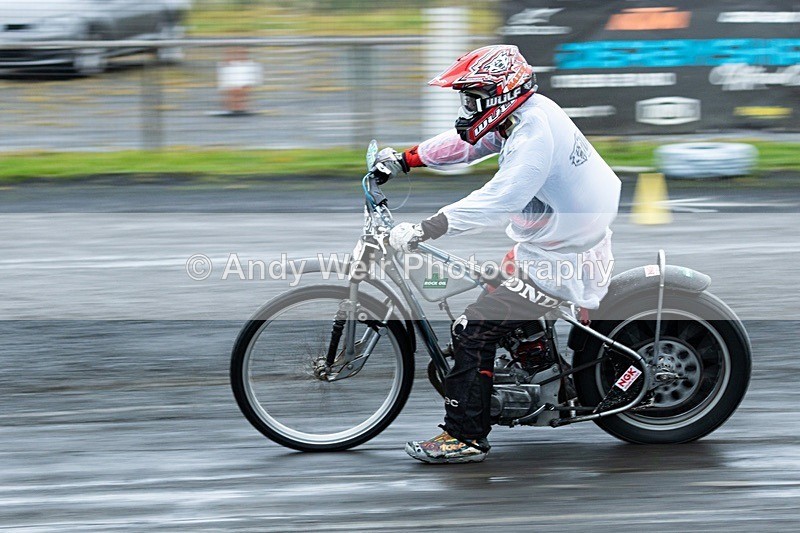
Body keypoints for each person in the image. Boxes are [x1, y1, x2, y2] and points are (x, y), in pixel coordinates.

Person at [373, 45, 621, 464]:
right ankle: (544, 372)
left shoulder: (533, 136)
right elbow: (468, 144)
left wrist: (427, 228)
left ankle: (465, 436)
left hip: (562, 256)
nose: (467, 108)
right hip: (557, 240)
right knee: (491, 284)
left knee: (472, 329)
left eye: (473, 99)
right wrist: (407, 159)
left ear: (501, 93)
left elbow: (499, 198)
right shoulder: (522, 114)